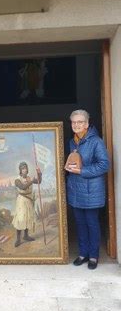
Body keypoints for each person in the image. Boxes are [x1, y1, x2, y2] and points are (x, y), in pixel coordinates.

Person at [65, 109, 109, 270]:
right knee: (80, 223)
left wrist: (82, 171)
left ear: (87, 124)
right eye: (74, 122)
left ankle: (93, 256)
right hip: (75, 189)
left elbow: (104, 165)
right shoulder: (72, 142)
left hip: (91, 191)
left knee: (92, 223)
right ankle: (83, 254)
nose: (76, 125)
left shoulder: (96, 141)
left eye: (80, 122)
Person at [12, 162, 42, 247]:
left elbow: (39, 181)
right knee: (20, 218)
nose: (24, 170)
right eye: (23, 168)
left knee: (28, 217)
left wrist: (39, 174)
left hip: (29, 200)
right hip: (21, 200)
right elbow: (22, 187)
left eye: (25, 168)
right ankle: (18, 239)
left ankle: (26, 236)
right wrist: (31, 181)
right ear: (20, 170)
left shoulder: (29, 178)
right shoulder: (17, 180)